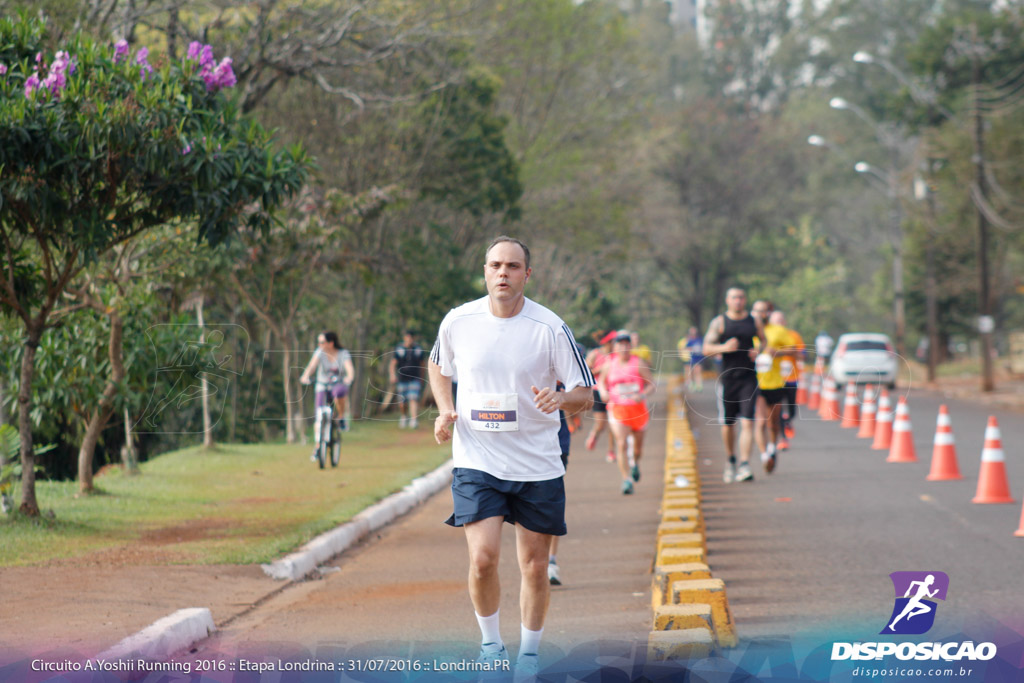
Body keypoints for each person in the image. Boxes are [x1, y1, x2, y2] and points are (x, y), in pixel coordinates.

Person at [428, 236, 594, 680]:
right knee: (482, 559)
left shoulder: (550, 328)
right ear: (484, 271)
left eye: (513, 266)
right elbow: (439, 366)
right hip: (477, 460)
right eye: (495, 265)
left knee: (535, 566)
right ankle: (491, 645)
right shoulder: (458, 321)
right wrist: (446, 408)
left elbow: (585, 395)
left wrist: (559, 400)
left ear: (527, 274)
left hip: (537, 464)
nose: (503, 273)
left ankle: (530, 655)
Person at [703, 288, 765, 483]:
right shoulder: (720, 322)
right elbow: (706, 348)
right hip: (728, 379)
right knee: (728, 424)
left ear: (745, 300)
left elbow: (764, 340)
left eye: (741, 297)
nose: (738, 301)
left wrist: (758, 350)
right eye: (734, 298)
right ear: (727, 300)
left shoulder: (753, 320)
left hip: (748, 377)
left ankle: (745, 464)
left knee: (748, 421)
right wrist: (724, 347)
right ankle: (731, 459)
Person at [599, 330, 655, 495]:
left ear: (631, 346)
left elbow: (651, 384)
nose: (623, 348)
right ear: (615, 346)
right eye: (620, 344)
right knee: (621, 443)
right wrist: (603, 391)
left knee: (637, 450)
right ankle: (626, 479)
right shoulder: (609, 364)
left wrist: (642, 394)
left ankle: (635, 464)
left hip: (638, 410)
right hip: (617, 409)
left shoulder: (639, 363)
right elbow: (602, 382)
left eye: (626, 344)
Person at [300, 332, 355, 457]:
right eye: (318, 342)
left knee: (339, 393)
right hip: (322, 385)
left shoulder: (343, 353)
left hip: (337, 383)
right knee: (319, 417)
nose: (319, 345)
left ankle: (341, 417)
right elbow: (311, 366)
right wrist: (305, 376)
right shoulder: (319, 352)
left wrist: (349, 377)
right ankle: (318, 447)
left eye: (322, 342)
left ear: (331, 343)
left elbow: (349, 368)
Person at [753, 312, 791, 474]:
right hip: (755, 382)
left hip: (775, 381)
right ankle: (764, 456)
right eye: (756, 310)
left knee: (773, 422)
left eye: (762, 310)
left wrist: (776, 352)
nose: (759, 314)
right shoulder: (748, 330)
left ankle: (771, 449)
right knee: (761, 421)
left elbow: (794, 350)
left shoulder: (778, 330)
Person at [584, 330, 616, 463]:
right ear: (607, 342)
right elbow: (585, 372)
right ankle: (595, 433)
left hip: (613, 392)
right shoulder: (594, 354)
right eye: (613, 341)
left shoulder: (616, 356)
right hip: (597, 391)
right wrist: (600, 370)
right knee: (601, 424)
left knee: (613, 425)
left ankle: (611, 452)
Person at [389, 330, 424, 429]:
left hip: (414, 378)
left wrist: (422, 377)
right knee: (402, 401)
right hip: (402, 379)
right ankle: (404, 416)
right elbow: (393, 364)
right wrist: (392, 375)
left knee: (413, 398)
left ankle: (414, 419)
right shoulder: (399, 349)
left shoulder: (417, 349)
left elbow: (422, 364)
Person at [680, 326, 705, 392]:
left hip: (699, 358)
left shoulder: (700, 340)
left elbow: (704, 347)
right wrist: (692, 349)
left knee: (698, 371)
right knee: (692, 372)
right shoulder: (690, 341)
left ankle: (699, 385)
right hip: (692, 359)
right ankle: (692, 385)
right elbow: (686, 348)